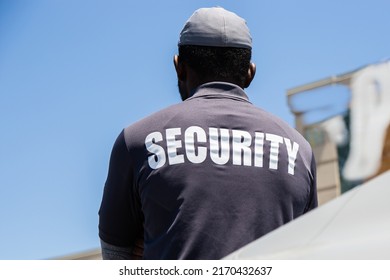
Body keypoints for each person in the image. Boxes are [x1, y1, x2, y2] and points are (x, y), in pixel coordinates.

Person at [98, 7, 317, 260]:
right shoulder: (300, 151)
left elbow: (115, 257)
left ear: (179, 67)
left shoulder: (136, 141)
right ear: (250, 73)